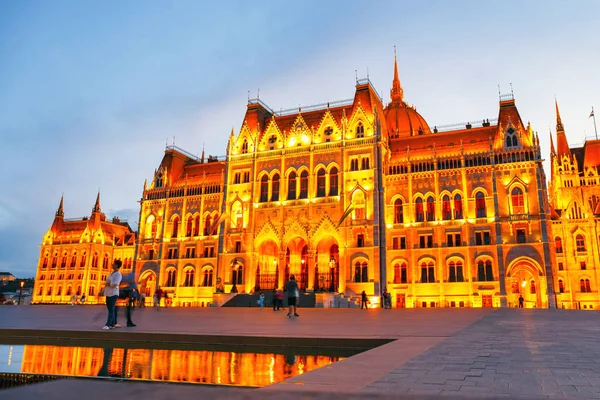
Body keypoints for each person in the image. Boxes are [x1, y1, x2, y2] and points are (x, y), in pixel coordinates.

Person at [102, 260, 122, 330]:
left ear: (116, 265)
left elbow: (116, 283)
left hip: (114, 293)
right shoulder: (112, 273)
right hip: (108, 293)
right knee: (111, 309)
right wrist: (103, 290)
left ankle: (107, 324)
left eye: (113, 264)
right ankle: (113, 324)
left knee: (111, 309)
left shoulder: (118, 274)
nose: (112, 264)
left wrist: (109, 284)